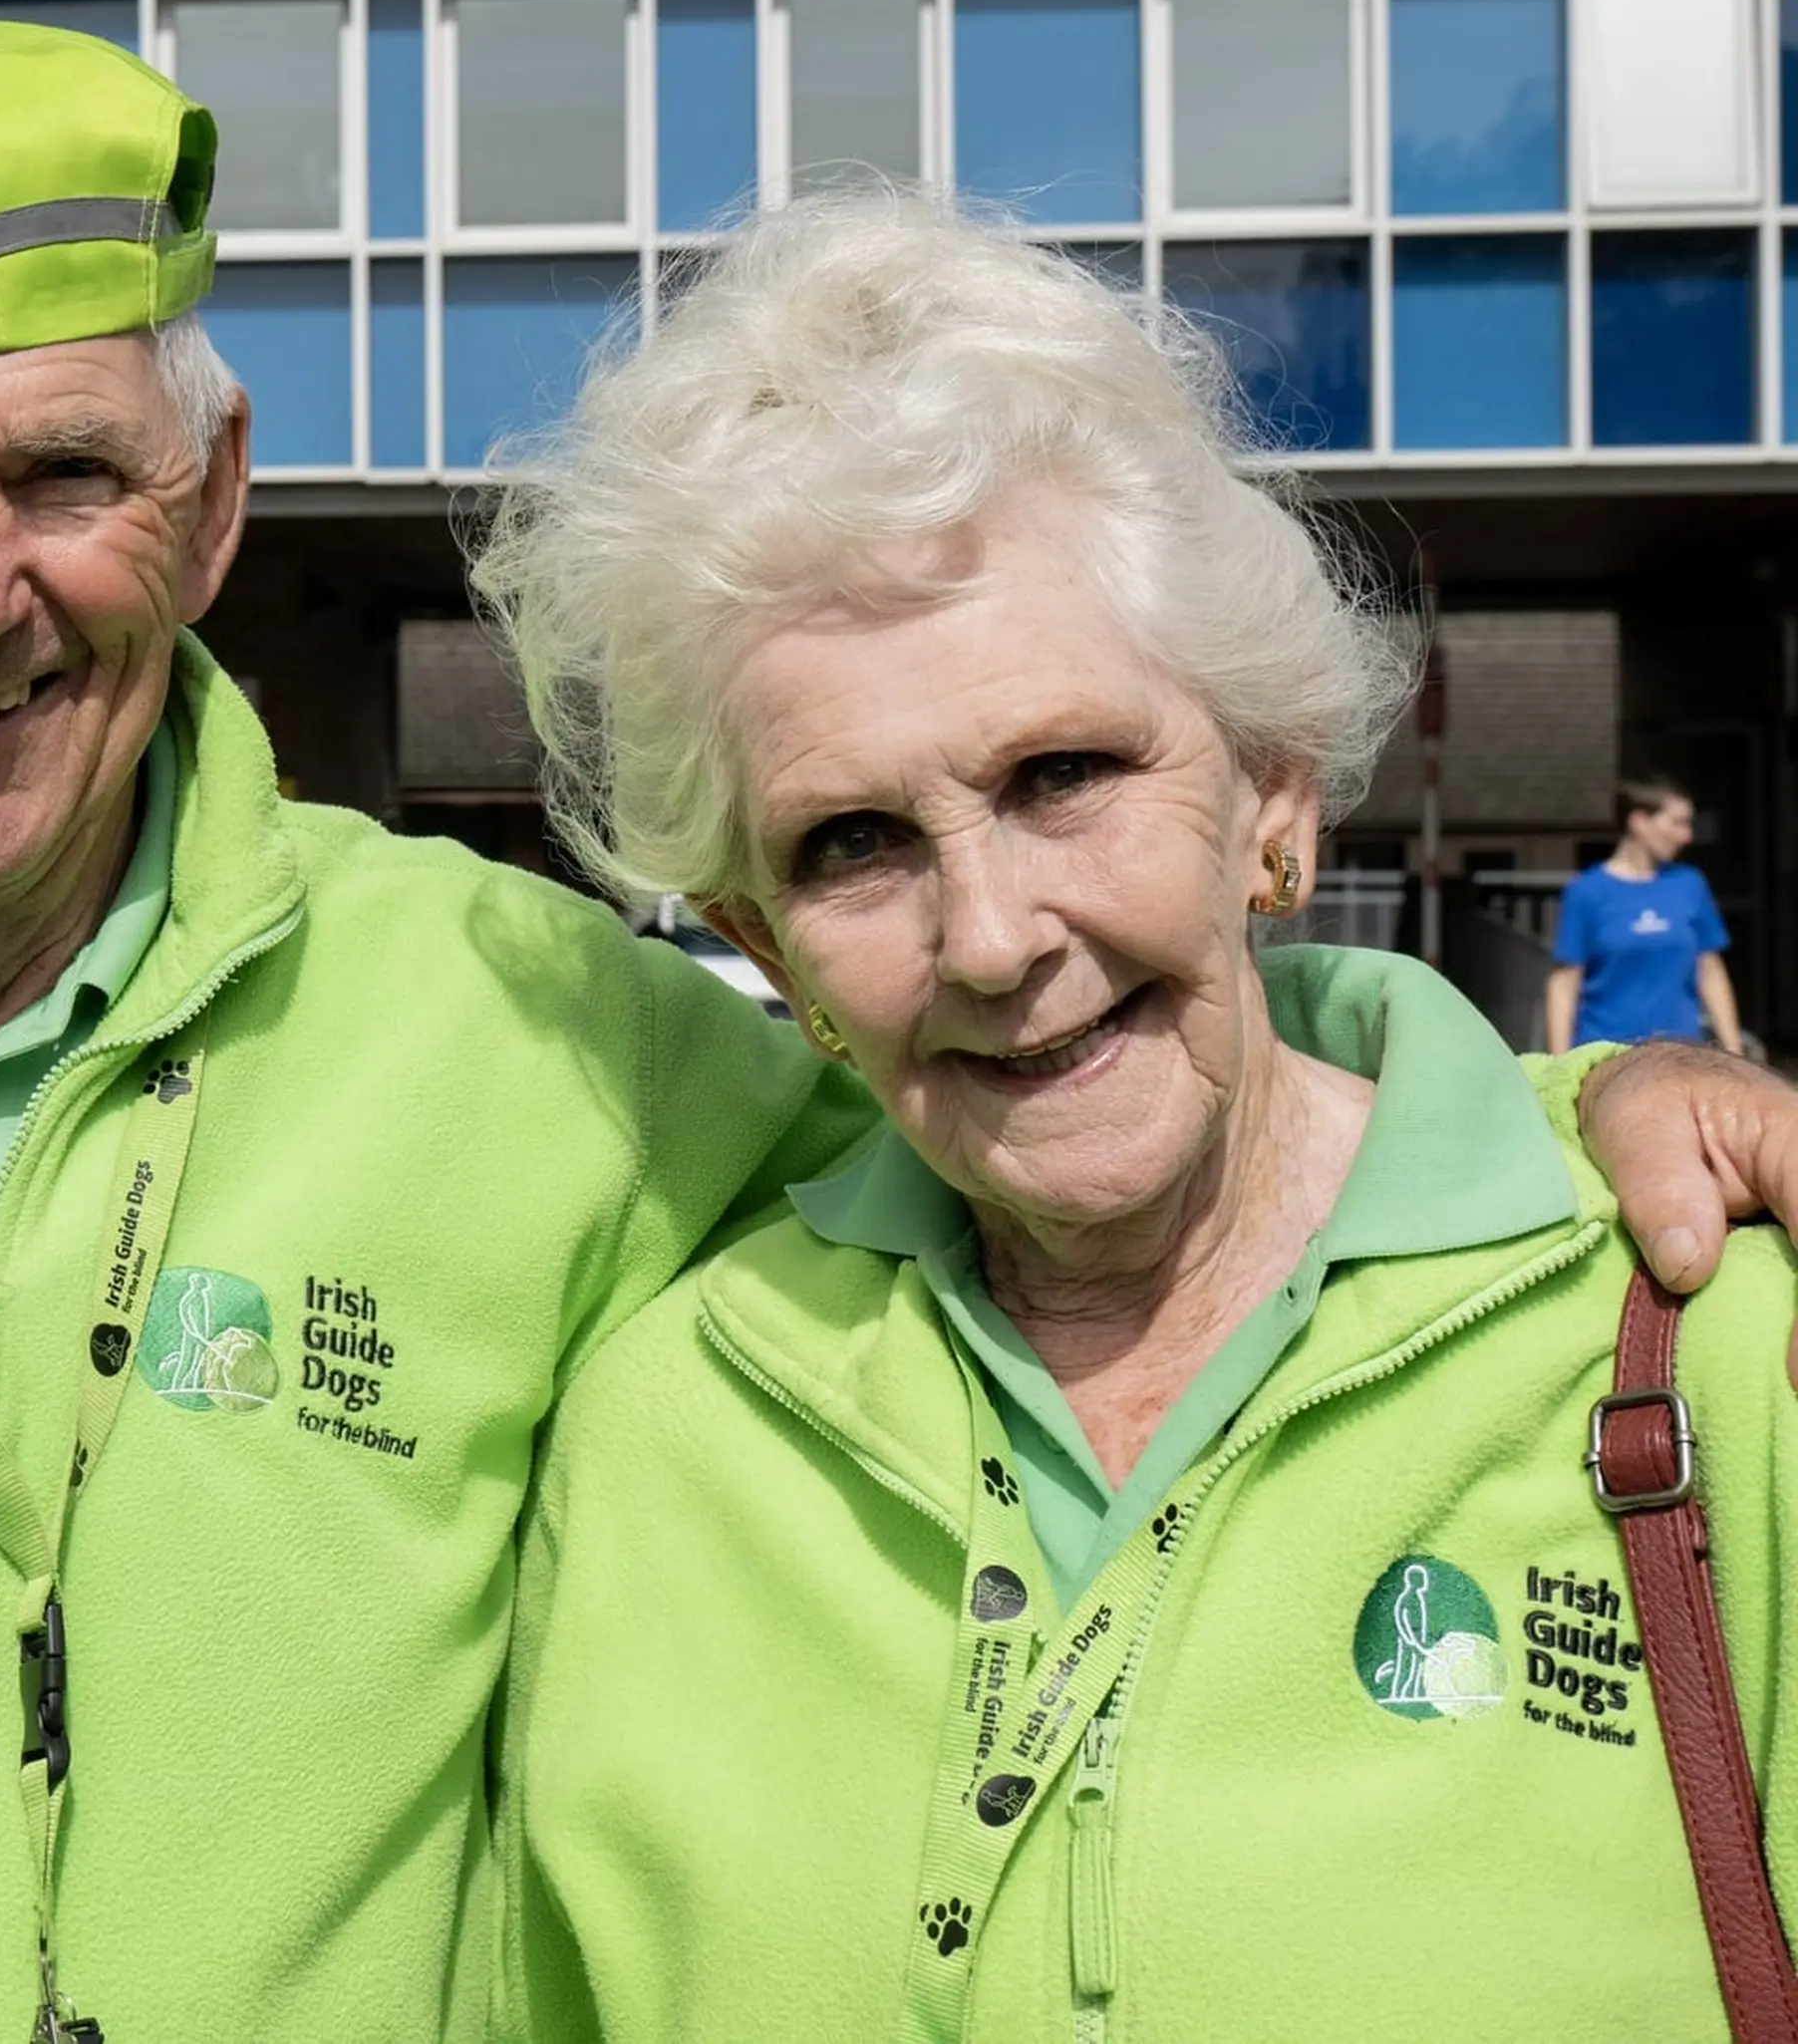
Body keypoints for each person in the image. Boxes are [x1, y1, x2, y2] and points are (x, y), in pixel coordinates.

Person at [0, 23, 1798, 2041]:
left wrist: (1569, 1117)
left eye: (63, 470)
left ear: (201, 512)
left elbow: (1071, 1055)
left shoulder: (554, 1039)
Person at [482, 194, 1798, 2036]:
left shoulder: (1712, 1348)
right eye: (851, 844)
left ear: (1272, 797)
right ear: (759, 939)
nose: (997, 936)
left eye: (1064, 771)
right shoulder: (659, 1437)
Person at [1551, 773, 1747, 1055]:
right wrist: (1560, 1064)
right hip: (1607, 1058)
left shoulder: (1690, 884)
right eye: (1677, 823)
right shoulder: (1586, 892)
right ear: (1639, 821)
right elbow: (1564, 983)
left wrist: (1734, 1053)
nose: (1687, 836)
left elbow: (1710, 971)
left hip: (1680, 1055)